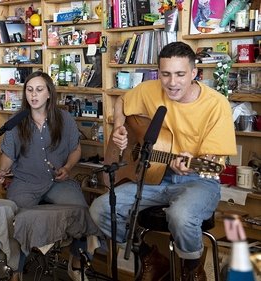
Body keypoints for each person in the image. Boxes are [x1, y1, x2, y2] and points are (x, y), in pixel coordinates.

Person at [89, 41, 236, 281]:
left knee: (180, 215)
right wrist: (118, 128)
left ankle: (192, 270)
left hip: (197, 179)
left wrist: (195, 161)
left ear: (194, 73)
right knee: (101, 209)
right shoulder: (150, 89)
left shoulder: (216, 104)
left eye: (180, 74)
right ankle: (148, 255)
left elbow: (214, 159)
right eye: (166, 74)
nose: (172, 82)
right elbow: (121, 103)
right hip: (153, 177)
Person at [0, 71, 98, 281]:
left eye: (39, 90)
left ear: (49, 93)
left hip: (57, 182)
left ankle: (77, 263)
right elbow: (7, 156)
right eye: (30, 90)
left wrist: (67, 168)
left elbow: (75, 150)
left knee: (80, 211)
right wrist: (3, 170)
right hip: (25, 182)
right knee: (17, 218)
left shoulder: (64, 118)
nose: (34, 95)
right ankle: (16, 271)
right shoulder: (17, 122)